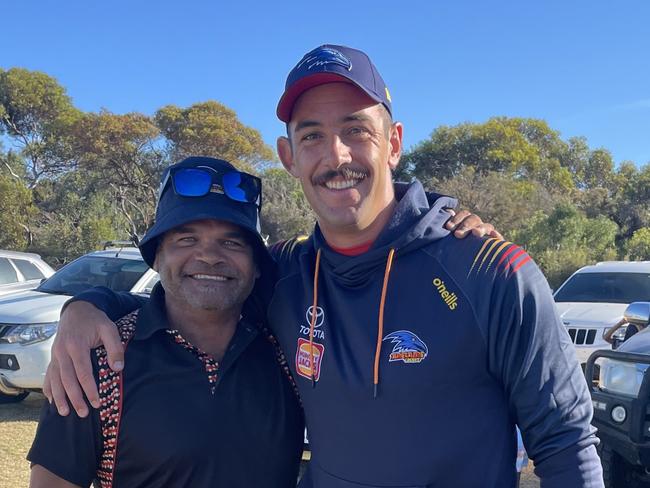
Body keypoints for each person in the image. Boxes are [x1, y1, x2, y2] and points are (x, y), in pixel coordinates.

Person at [45, 45, 603, 487]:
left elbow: (566, 444)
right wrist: (86, 305)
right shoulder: (285, 276)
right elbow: (195, 290)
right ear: (289, 156)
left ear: (393, 143)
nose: (335, 156)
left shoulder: (489, 272)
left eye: (356, 130)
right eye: (312, 135)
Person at [28, 157, 304, 487]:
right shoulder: (98, 363)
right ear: (156, 257)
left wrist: (85, 303)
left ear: (257, 265)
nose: (210, 256)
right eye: (186, 239)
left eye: (231, 242)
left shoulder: (289, 355)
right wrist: (81, 306)